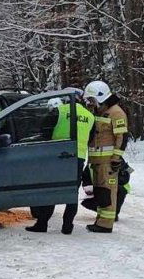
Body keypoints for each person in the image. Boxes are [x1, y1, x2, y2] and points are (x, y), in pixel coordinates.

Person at [26, 97, 94, 235]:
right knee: (72, 192)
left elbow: (44, 130)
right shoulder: (90, 116)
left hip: (58, 154)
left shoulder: (59, 111)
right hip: (78, 157)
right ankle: (67, 225)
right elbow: (91, 138)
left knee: (52, 189)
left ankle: (42, 223)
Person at [82, 80, 128, 234]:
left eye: (93, 99)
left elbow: (122, 138)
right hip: (97, 162)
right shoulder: (100, 111)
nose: (91, 102)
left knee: (108, 192)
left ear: (100, 97)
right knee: (101, 192)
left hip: (108, 162)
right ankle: (101, 220)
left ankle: (106, 224)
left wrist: (116, 159)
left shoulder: (116, 112)